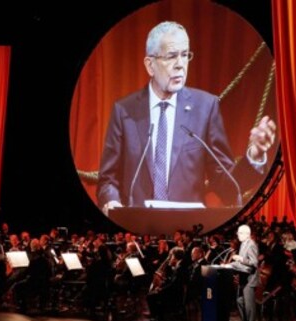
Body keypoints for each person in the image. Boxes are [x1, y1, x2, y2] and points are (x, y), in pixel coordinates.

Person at [97, 21, 276, 213]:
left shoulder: (205, 108)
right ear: (150, 65)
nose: (180, 65)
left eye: (185, 55)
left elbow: (228, 187)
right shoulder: (125, 110)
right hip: (139, 228)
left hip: (188, 231)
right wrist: (113, 203)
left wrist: (255, 155)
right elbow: (108, 179)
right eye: (172, 56)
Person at [228, 224, 260, 321]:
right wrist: (229, 265)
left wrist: (240, 258)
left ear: (247, 234)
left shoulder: (251, 244)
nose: (238, 235)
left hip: (250, 279)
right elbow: (241, 263)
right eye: (238, 233)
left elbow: (254, 263)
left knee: (249, 305)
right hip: (243, 278)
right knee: (240, 301)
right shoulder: (243, 244)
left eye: (240, 233)